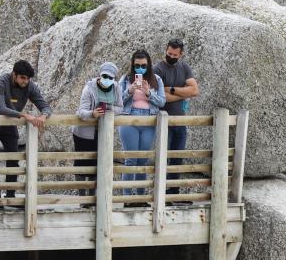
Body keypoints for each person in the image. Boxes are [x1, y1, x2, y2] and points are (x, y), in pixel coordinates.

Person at [0, 60, 51, 205]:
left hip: (10, 123)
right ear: (14, 74)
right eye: (22, 78)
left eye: (28, 79)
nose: (25, 81)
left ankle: (11, 197)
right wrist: (24, 115)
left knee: (13, 159)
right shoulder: (1, 82)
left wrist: (44, 115)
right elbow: (0, 108)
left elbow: (45, 106)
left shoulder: (30, 86)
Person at [152, 38, 200, 197]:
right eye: (169, 53)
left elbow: (194, 90)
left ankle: (173, 192)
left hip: (180, 120)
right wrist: (183, 93)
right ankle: (161, 193)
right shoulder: (157, 69)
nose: (171, 56)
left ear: (181, 54)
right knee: (163, 157)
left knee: (177, 158)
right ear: (166, 50)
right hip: (163, 121)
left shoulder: (184, 67)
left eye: (174, 55)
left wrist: (171, 89)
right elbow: (160, 97)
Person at [118, 50, 165, 204]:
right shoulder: (125, 79)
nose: (140, 68)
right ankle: (127, 198)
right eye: (137, 65)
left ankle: (140, 197)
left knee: (142, 160)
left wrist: (148, 93)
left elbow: (162, 101)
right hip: (129, 119)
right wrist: (129, 91)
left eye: (143, 66)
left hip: (148, 121)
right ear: (132, 65)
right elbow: (117, 101)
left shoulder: (156, 79)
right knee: (131, 159)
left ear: (149, 65)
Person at [71, 61, 123, 197]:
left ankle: (91, 197)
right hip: (83, 132)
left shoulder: (116, 88)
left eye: (110, 77)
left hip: (101, 132)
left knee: (96, 164)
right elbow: (82, 112)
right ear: (100, 75)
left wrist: (108, 107)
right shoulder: (89, 88)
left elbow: (120, 108)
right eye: (105, 76)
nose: (107, 79)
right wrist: (93, 113)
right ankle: (82, 198)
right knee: (81, 164)